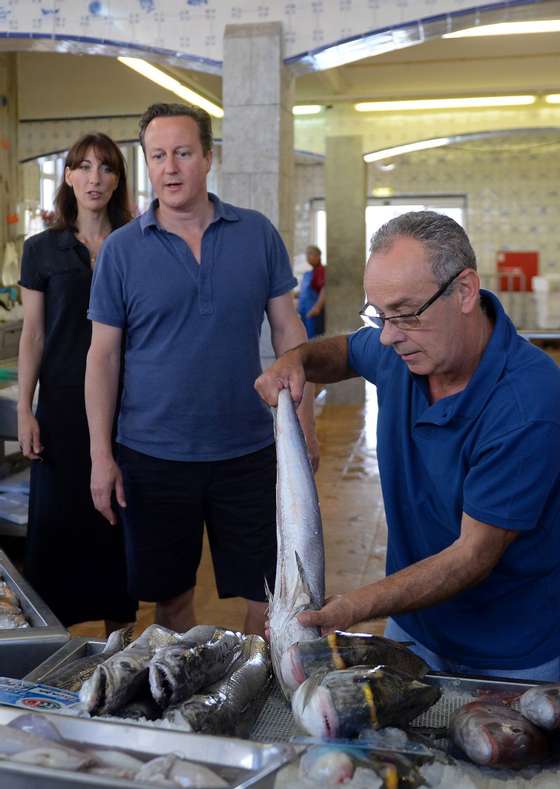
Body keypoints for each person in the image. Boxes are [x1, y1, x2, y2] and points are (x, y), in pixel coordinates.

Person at [256, 210, 560, 681]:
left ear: (463, 291)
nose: (389, 335)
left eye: (404, 313)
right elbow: (345, 352)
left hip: (512, 653)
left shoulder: (528, 403)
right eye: (378, 314)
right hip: (415, 628)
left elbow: (472, 556)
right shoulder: (403, 348)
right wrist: (296, 360)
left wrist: (354, 606)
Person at [85, 102, 318, 637]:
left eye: (183, 153)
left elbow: (288, 332)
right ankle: (191, 706)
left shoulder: (256, 234)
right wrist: (102, 455)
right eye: (158, 155)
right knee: (171, 606)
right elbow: (103, 357)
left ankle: (254, 700)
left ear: (208, 158)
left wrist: (303, 423)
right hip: (154, 455)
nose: (170, 167)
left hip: (249, 451)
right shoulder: (121, 251)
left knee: (267, 598)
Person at [18, 132, 137, 633]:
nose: (95, 178)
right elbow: (34, 333)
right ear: (67, 176)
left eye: (106, 168)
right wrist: (25, 408)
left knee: (117, 528)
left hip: (126, 406)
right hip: (62, 409)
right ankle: (54, 652)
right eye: (84, 167)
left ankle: (122, 648)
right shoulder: (42, 249)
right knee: (57, 531)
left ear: (117, 181)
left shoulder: (135, 243)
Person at [298, 244, 326, 338]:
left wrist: (317, 307)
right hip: (304, 312)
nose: (307, 257)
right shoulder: (308, 273)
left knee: (314, 340)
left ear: (318, 256)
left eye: (310, 254)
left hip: (313, 313)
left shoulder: (321, 271)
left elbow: (324, 289)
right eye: (307, 254)